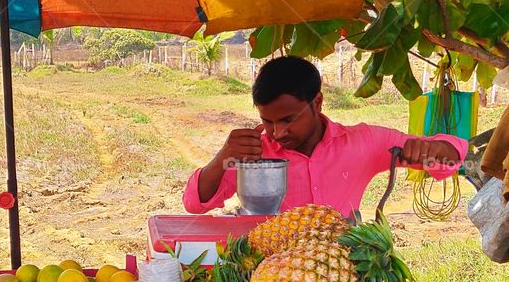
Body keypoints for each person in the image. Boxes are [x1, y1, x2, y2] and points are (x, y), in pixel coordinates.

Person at [183, 56, 467, 216]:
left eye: (288, 119)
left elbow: (451, 158)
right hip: (266, 277)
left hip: (338, 276)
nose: (277, 132)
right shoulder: (254, 154)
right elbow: (195, 204)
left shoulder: (363, 143)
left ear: (317, 103)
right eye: (267, 122)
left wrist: (433, 150)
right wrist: (224, 156)